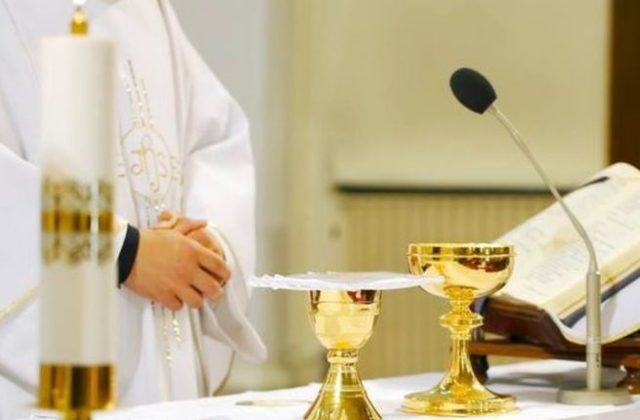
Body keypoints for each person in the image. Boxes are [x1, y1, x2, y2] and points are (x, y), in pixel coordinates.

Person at [0, 0, 266, 418]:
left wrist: (206, 243)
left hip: (167, 349)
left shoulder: (145, 9)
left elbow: (213, 140)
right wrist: (123, 251)